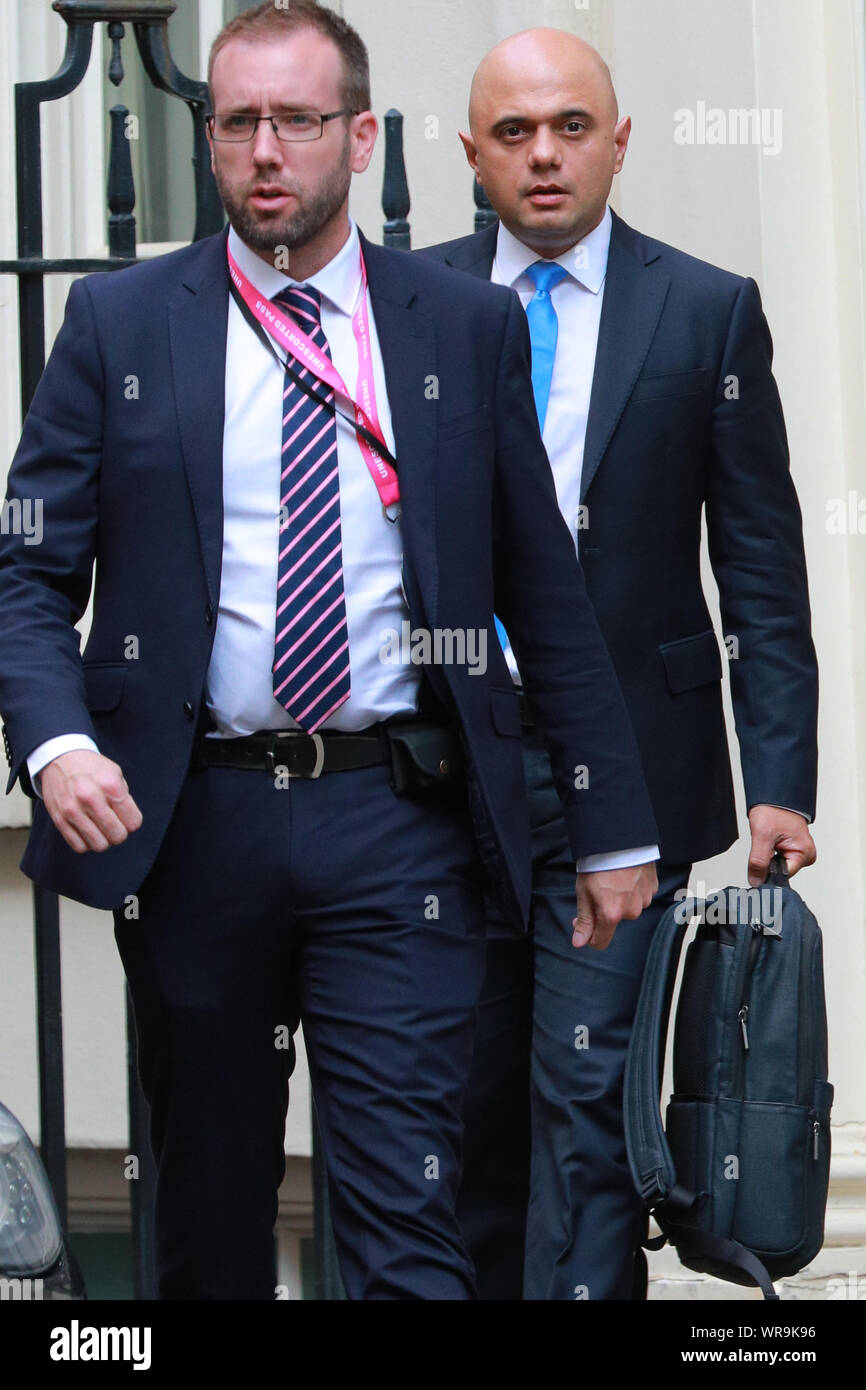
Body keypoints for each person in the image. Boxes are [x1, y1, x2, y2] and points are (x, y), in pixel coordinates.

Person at [0, 4, 659, 1300]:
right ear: (210, 134)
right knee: (206, 1220)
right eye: (237, 119)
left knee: (410, 1215)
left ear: (357, 136)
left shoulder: (457, 329)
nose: (263, 151)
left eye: (295, 120)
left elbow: (544, 585)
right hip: (198, 819)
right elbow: (25, 568)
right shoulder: (122, 326)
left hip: (395, 820)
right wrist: (58, 739)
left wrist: (611, 823)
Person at [422, 27, 819, 1301]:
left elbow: (758, 562)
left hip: (628, 782)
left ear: (619, 140)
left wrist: (779, 783)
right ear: (473, 150)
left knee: (587, 1103)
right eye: (516, 133)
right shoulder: (404, 302)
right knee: (458, 1113)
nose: (545, 156)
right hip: (435, 782)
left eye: (571, 127)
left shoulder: (703, 309)